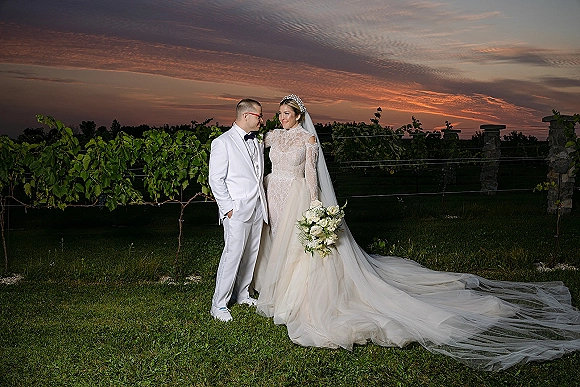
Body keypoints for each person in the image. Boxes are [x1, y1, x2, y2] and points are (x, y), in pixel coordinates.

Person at [253, 94, 580, 371]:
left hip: (297, 195)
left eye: (287, 114)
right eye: (279, 114)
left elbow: (311, 174)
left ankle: (294, 296)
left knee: (299, 247)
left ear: (299, 115)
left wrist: (314, 204)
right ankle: (270, 285)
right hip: (274, 192)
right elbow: (259, 161)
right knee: (274, 241)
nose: (282, 119)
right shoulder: (271, 137)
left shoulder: (307, 139)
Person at [208, 98, 268, 322]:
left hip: (258, 207)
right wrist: (228, 208)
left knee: (251, 254)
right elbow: (216, 179)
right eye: (259, 116)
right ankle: (219, 304)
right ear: (246, 116)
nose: (262, 120)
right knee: (232, 255)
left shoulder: (257, 141)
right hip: (237, 210)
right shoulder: (222, 143)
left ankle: (242, 294)